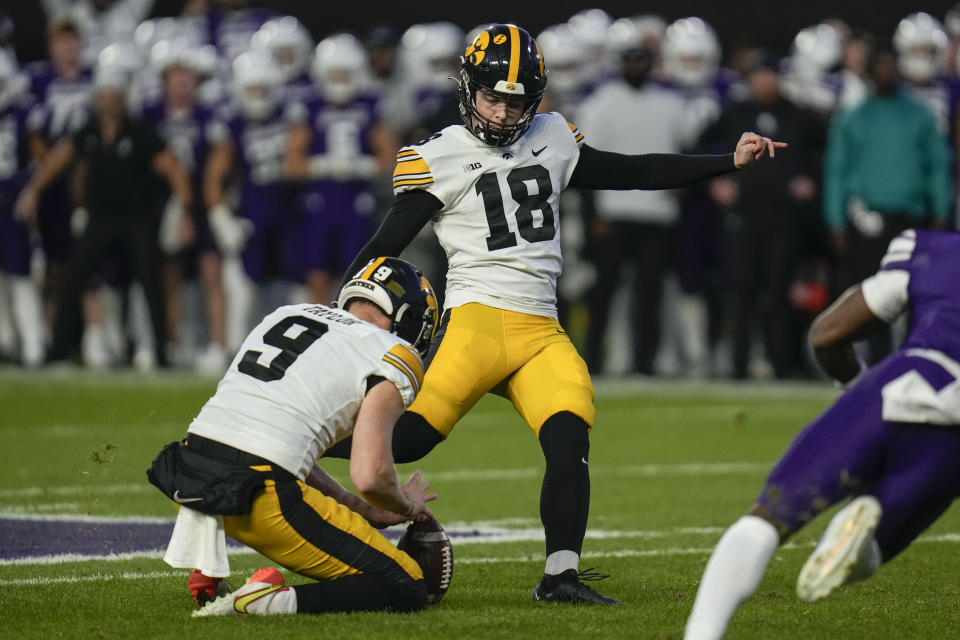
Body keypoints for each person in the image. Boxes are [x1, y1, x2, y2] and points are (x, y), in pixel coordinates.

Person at [339, 23, 784, 605]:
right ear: (468, 89)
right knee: (408, 440)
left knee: (570, 436)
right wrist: (342, 316)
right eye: (492, 97)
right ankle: (277, 454)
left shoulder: (553, 135)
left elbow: (636, 172)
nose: (501, 113)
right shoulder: (439, 155)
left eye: (514, 102)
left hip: (542, 330)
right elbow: (382, 246)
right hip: (475, 321)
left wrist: (727, 160)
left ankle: (560, 577)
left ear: (536, 99)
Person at [684, 229, 960, 640]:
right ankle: (854, 531)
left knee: (767, 520)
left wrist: (857, 388)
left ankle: (701, 633)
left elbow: (828, 334)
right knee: (875, 548)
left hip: (903, 386)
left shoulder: (934, 251)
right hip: (953, 441)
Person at [151, 256, 440, 615]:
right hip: (259, 493)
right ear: (410, 319)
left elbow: (273, 438)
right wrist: (404, 504)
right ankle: (268, 602)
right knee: (406, 585)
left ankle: (208, 569)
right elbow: (370, 474)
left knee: (267, 455)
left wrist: (361, 510)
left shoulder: (288, 313)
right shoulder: (395, 353)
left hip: (189, 472)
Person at [15, 63, 192, 367]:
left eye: (116, 95)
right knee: (72, 278)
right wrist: (34, 189)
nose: (110, 101)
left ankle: (161, 352)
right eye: (106, 95)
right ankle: (59, 351)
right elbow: (61, 158)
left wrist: (183, 208)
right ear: (98, 97)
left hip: (137, 218)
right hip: (100, 217)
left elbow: (171, 167)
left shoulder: (139, 131)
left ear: (124, 98)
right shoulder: (89, 130)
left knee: (151, 281)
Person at [823, 44, 952, 365]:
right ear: (868, 72)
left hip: (911, 216)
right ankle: (879, 363)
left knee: (919, 293)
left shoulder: (919, 115)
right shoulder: (854, 116)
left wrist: (941, 209)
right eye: (877, 67)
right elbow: (837, 169)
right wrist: (836, 219)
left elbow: (938, 165)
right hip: (870, 217)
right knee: (873, 295)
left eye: (888, 66)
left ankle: (915, 357)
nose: (884, 72)